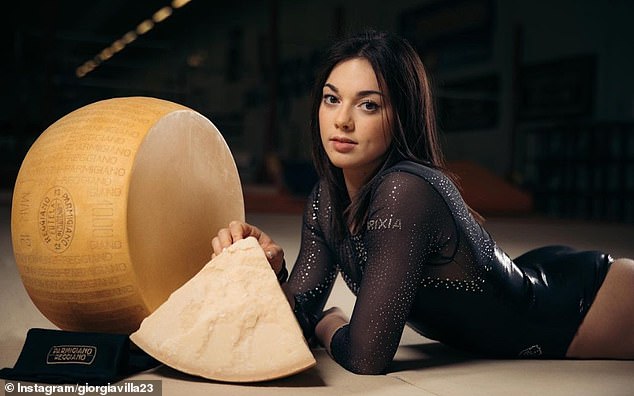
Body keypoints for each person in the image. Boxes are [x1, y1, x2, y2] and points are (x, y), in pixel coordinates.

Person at [211, 30, 634, 375]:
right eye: (332, 98)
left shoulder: (405, 192)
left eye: (369, 104)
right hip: (535, 277)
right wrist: (268, 268)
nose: (342, 119)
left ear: (402, 115)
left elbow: (365, 355)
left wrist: (328, 322)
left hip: (589, 306)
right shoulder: (327, 196)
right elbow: (293, 321)